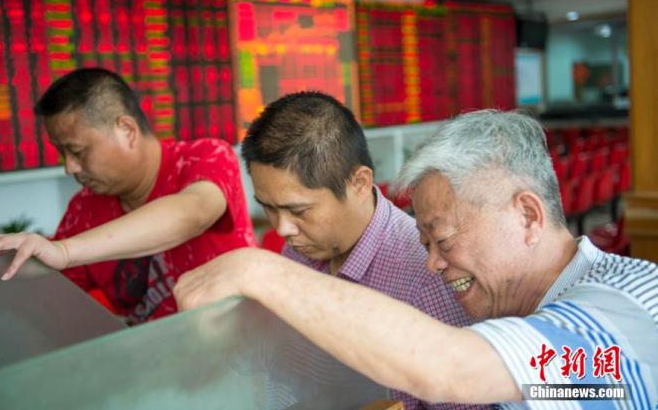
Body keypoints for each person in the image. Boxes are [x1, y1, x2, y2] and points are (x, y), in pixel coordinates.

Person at [174, 110, 658, 408]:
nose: (431, 264)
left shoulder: (619, 308)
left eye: (442, 239)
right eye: (425, 243)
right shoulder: (536, 332)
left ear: (528, 216)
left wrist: (261, 271)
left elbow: (453, 370)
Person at [237, 91, 476, 410]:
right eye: (269, 208)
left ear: (359, 183)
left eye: (299, 210)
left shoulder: (426, 277)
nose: (282, 229)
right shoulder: (301, 247)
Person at [0, 68, 256, 324]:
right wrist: (0, 271)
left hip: (241, 344)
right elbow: (53, 293)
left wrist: (65, 251)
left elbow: (192, 212)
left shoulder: (203, 157)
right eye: (62, 153)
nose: (69, 167)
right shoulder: (83, 210)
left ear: (126, 129)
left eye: (77, 151)